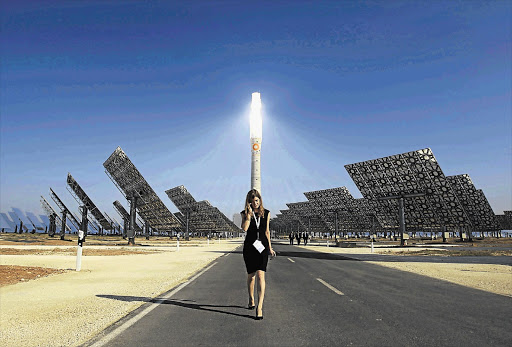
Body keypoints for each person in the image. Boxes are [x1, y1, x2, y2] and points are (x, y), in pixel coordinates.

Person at [241, 189, 276, 320]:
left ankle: (259, 307)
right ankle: (251, 299)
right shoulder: (244, 213)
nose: (255, 203)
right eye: (252, 201)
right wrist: (249, 215)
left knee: (261, 275)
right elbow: (244, 228)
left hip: (262, 247)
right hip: (250, 247)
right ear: (249, 202)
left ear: (260, 200)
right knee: (252, 276)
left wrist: (270, 248)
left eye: (257, 200)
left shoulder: (266, 213)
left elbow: (267, 231)